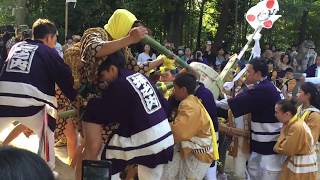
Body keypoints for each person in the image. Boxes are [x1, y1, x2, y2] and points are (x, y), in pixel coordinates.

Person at [0, 19, 77, 173]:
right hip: (33, 105)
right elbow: (65, 77)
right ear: (49, 38)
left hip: (2, 98)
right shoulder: (49, 51)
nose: (55, 43)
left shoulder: (16, 46)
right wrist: (75, 98)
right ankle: (48, 168)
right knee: (47, 133)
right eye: (55, 39)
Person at [82, 51, 174, 180]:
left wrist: (90, 104)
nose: (103, 80)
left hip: (148, 139)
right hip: (165, 137)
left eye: (103, 75)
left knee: (108, 156)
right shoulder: (140, 77)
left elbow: (107, 112)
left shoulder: (119, 85)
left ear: (112, 69)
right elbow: (164, 105)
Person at [222, 58, 283, 180]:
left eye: (249, 71)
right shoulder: (264, 87)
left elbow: (235, 103)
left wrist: (214, 100)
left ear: (258, 74)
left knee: (265, 175)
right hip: (262, 142)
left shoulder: (263, 89)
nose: (246, 75)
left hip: (268, 144)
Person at [163, 72, 218, 180]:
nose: (174, 92)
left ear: (183, 90)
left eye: (175, 88)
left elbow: (179, 133)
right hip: (198, 151)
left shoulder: (188, 105)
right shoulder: (192, 100)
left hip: (198, 156)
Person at [273, 99, 318, 180]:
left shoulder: (296, 127)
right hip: (299, 162)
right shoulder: (294, 123)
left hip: (302, 166)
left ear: (287, 114)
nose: (275, 115)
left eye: (277, 112)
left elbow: (285, 149)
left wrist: (282, 133)